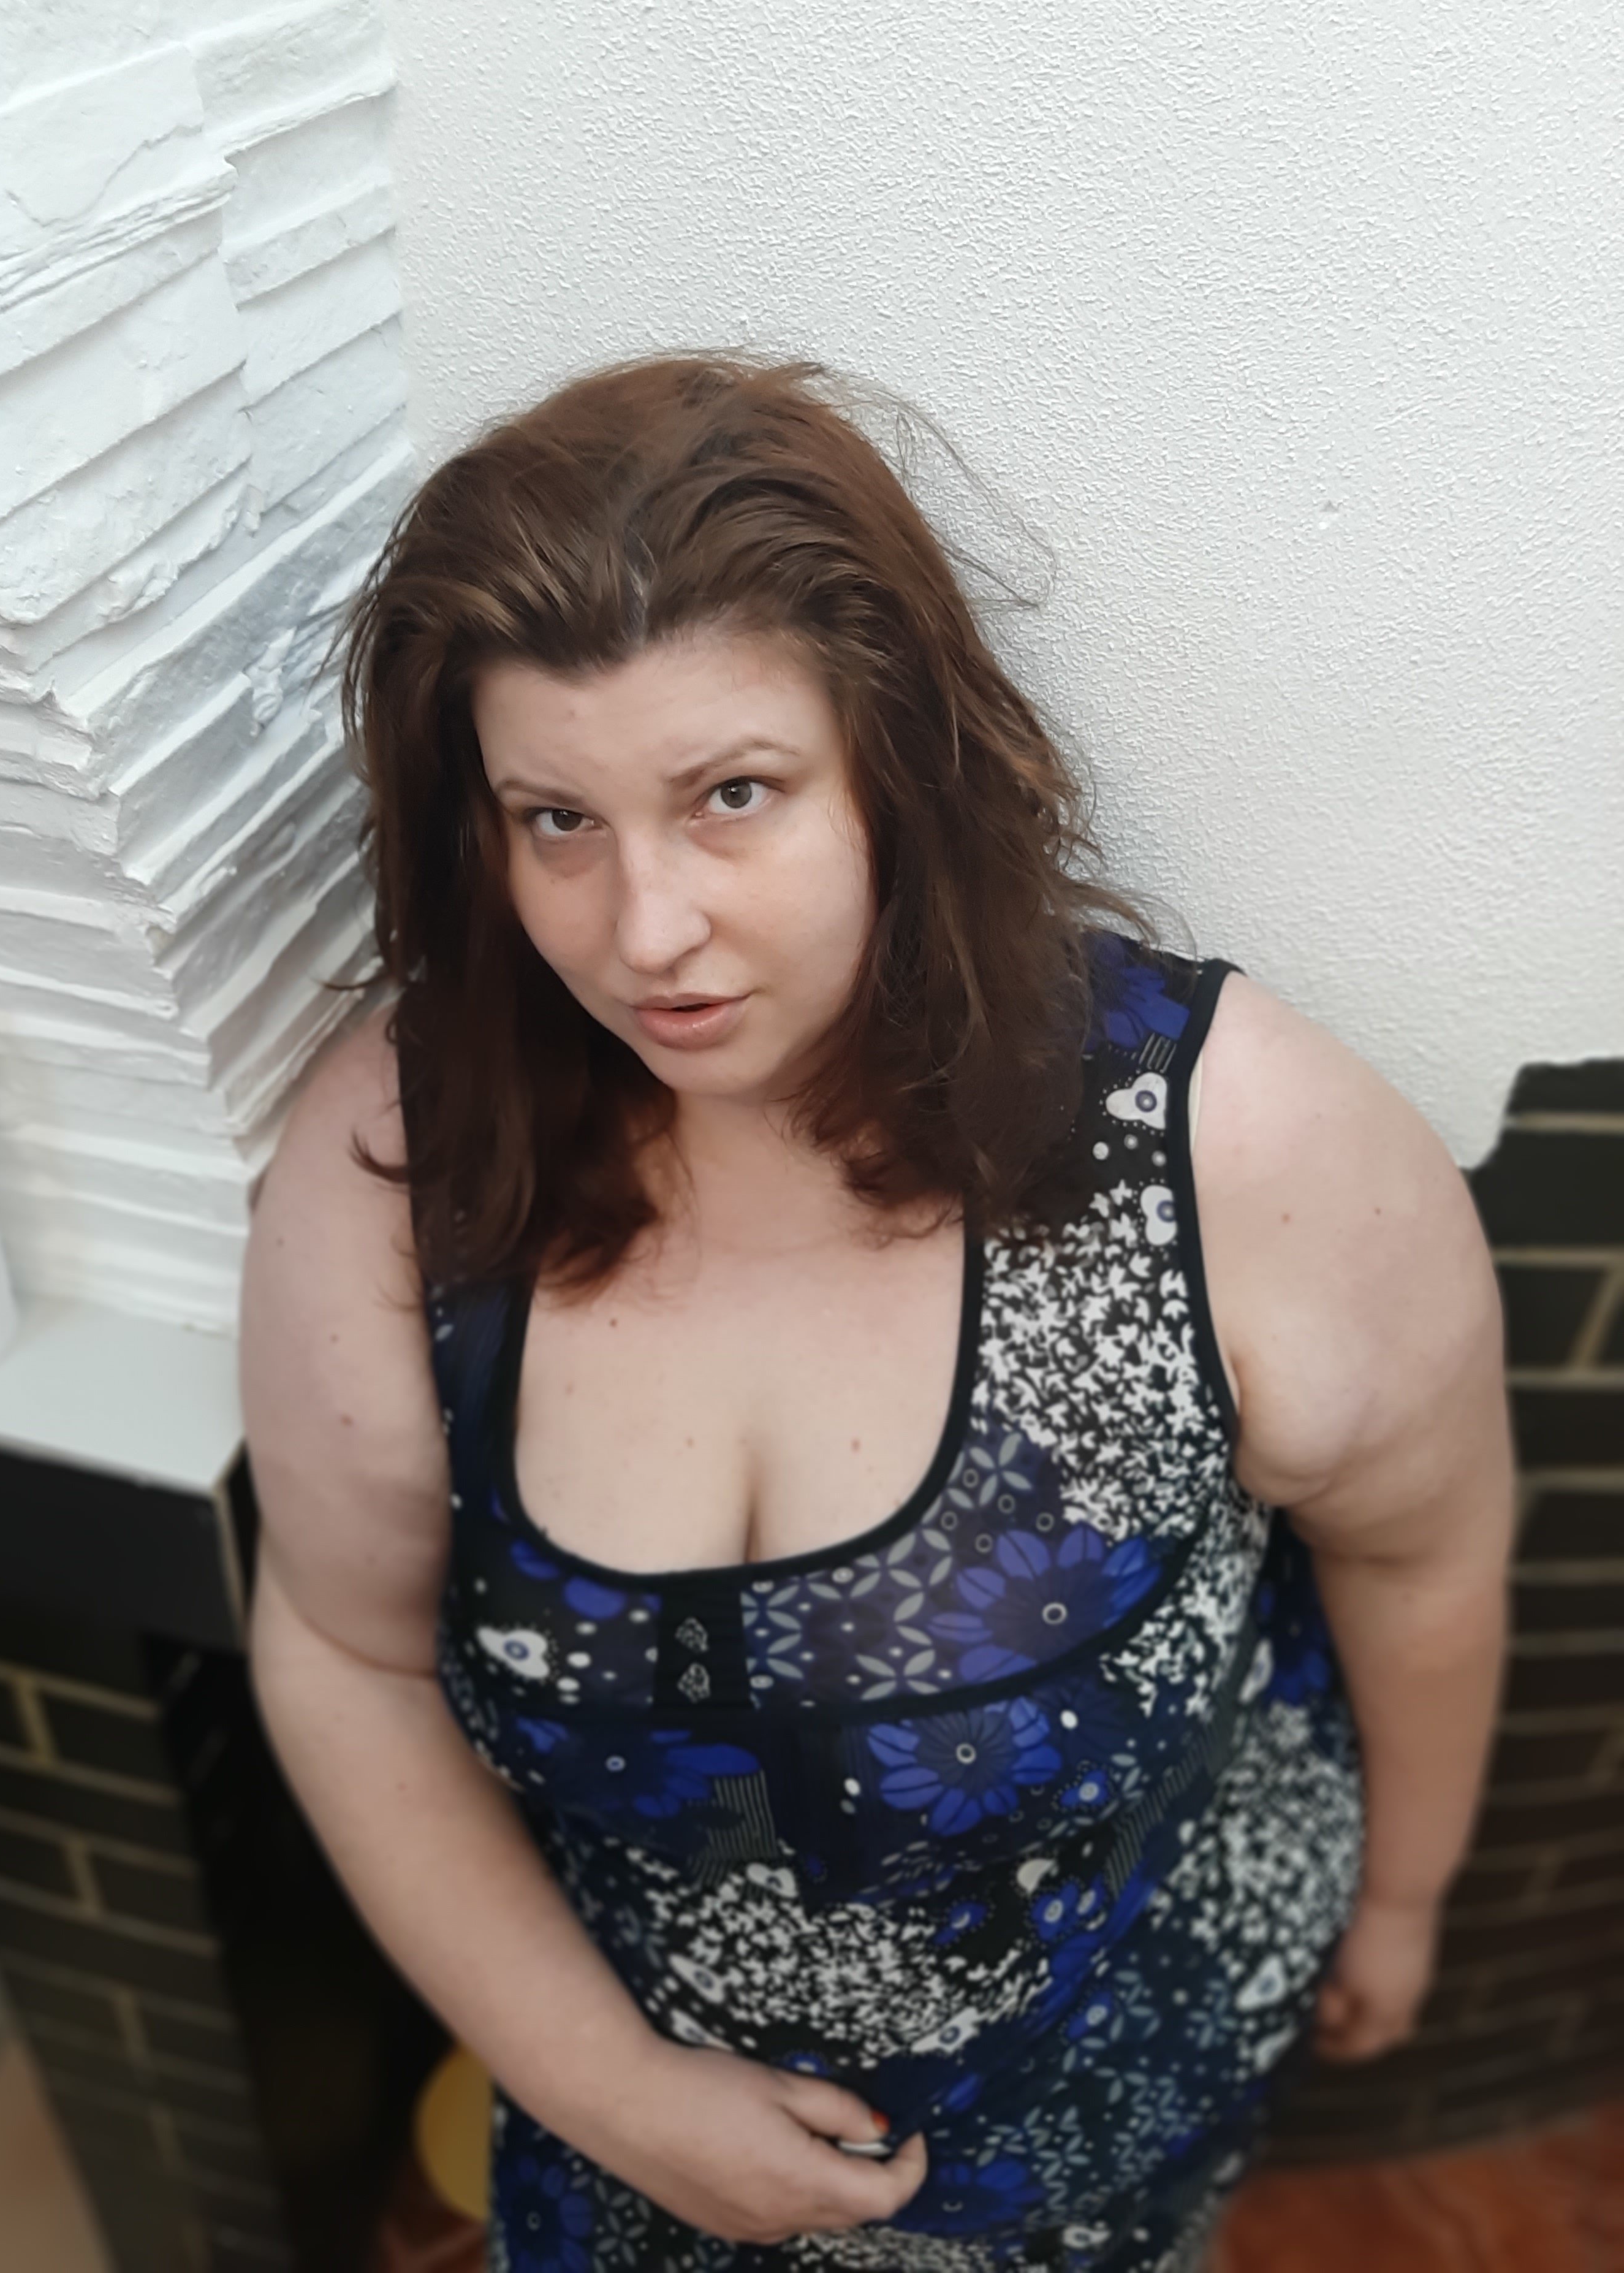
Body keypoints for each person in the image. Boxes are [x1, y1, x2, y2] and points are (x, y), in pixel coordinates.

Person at [238, 356, 1514, 2272]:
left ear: (896, 772)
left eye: (731, 796)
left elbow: (1424, 1554)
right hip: (628, 2142)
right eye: (556, 820)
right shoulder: (406, 1163)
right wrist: (606, 2091)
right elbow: (346, 1652)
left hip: (1109, 2108)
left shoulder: (1237, 1152)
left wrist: (1404, 1900)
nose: (644, 931)